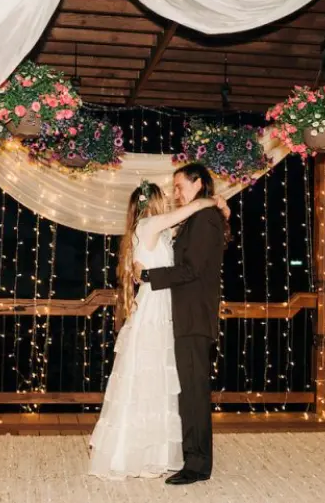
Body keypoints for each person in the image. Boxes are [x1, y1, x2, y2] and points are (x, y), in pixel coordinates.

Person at [88, 179, 228, 480]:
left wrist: (222, 209)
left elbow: (189, 243)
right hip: (154, 310)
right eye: (166, 195)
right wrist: (211, 200)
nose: (171, 199)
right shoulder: (149, 224)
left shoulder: (160, 231)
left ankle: (158, 452)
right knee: (149, 379)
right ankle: (133, 452)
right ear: (151, 203)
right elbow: (188, 211)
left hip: (165, 308)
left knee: (161, 382)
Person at [134, 163, 227, 486]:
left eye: (179, 186)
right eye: (173, 188)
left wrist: (148, 276)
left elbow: (192, 270)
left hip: (194, 318)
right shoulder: (195, 218)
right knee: (188, 392)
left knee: (194, 394)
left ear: (198, 183)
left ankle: (197, 465)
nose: (175, 193)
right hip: (184, 316)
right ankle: (193, 458)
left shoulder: (204, 219)